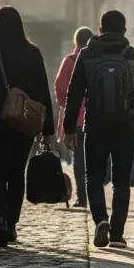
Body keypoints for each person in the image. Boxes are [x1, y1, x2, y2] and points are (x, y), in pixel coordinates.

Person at [63, 10, 134, 249]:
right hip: (126, 127)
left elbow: (74, 94)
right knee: (121, 181)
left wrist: (70, 128)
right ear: (124, 31)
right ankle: (117, 234)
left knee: (93, 178)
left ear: (100, 30)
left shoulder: (86, 55)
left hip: (95, 126)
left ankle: (101, 220)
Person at [0, 6, 55, 248]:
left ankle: (0, 222)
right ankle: (13, 223)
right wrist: (47, 128)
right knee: (17, 173)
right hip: (23, 122)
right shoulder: (32, 53)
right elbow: (42, 91)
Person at [55, 26, 94, 208]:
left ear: (75, 41)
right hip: (96, 117)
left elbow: (60, 88)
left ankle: (82, 196)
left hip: (76, 119)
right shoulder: (97, 59)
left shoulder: (70, 60)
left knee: (79, 159)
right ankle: (95, 190)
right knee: (95, 156)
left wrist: (66, 106)